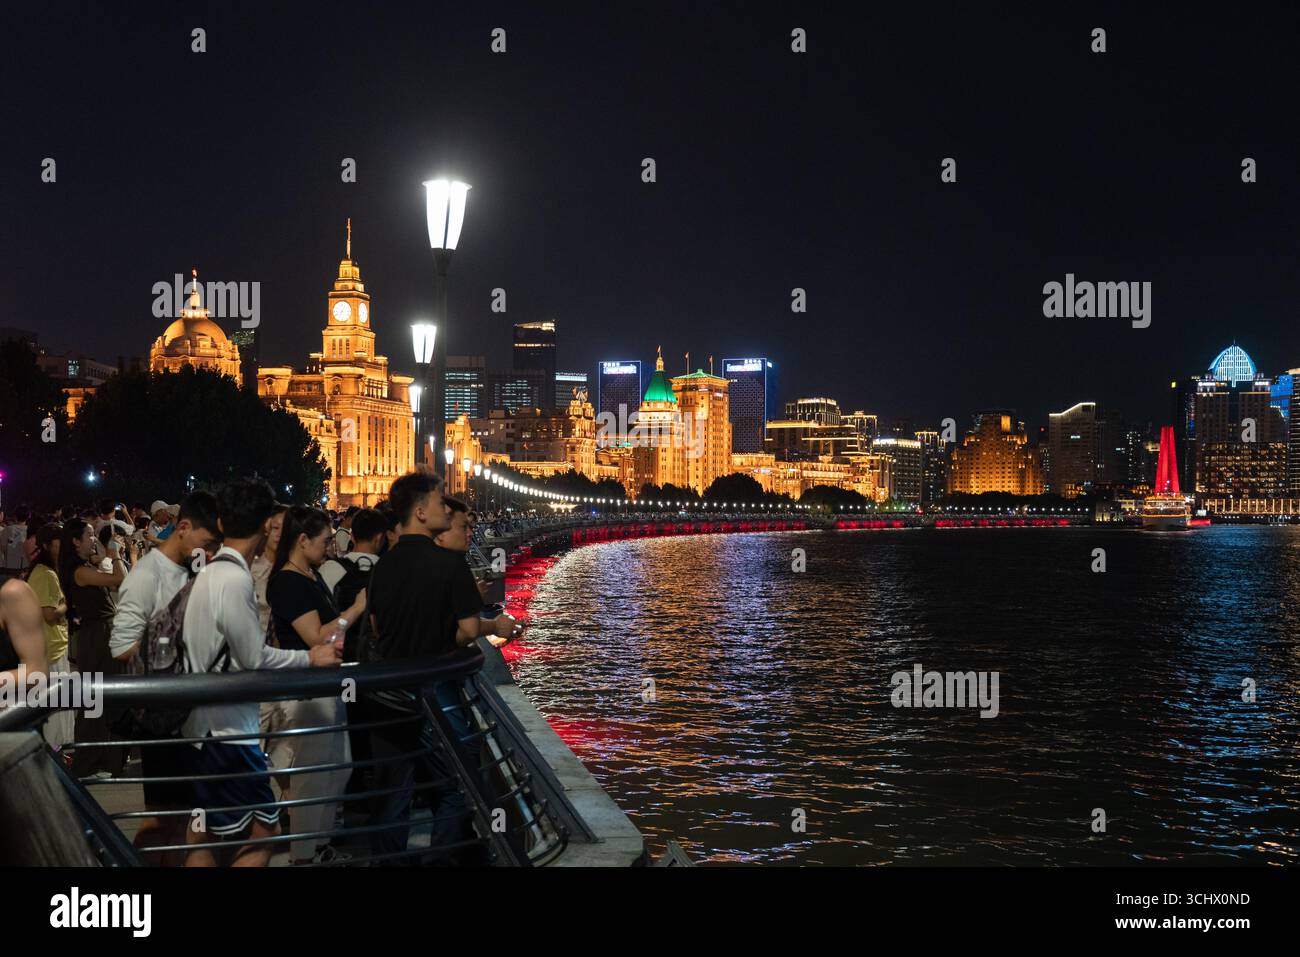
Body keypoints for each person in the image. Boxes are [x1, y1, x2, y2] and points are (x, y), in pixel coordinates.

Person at [182, 479, 342, 867]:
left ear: (221, 520)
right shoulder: (235, 578)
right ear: (266, 526)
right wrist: (310, 658)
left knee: (203, 831)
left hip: (204, 726)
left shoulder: (209, 573)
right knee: (264, 831)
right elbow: (254, 657)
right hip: (230, 733)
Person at [365, 470, 522, 863]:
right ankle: (442, 859)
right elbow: (468, 630)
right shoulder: (449, 565)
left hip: (388, 693)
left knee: (394, 793)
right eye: (439, 501)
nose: (444, 508)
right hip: (432, 693)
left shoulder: (382, 565)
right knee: (457, 785)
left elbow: (375, 626)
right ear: (420, 512)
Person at [109, 492, 221, 864]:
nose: (211, 549)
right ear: (184, 528)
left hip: (189, 715)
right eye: (208, 542)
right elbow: (121, 646)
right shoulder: (147, 575)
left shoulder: (193, 570)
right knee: (161, 820)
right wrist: (173, 649)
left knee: (186, 818)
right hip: (161, 718)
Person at [267, 506, 364, 864]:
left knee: (339, 767)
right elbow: (316, 638)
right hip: (308, 688)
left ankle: (318, 847)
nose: (330, 547)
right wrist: (355, 609)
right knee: (312, 776)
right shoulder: (289, 582)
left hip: (325, 685)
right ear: (302, 540)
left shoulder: (309, 574)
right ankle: (304, 855)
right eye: (324, 541)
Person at [58, 519, 128, 779]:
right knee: (94, 700)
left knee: (103, 698)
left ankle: (101, 761)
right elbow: (119, 580)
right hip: (97, 636)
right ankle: (88, 764)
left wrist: (102, 556)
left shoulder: (86, 566)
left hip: (100, 633)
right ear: (75, 542)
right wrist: (115, 555)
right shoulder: (80, 571)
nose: (94, 539)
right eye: (88, 535)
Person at [25, 524, 74, 751]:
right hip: (50, 649)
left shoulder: (43, 572)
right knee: (55, 706)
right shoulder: (45, 574)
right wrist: (66, 606)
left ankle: (56, 752)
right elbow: (49, 613)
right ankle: (56, 755)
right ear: (46, 545)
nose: (63, 547)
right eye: (59, 542)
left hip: (50, 646)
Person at [2, 506, 31, 579]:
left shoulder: (8, 529)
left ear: (15, 516)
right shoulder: (30, 531)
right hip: (26, 565)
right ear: (28, 517)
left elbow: (2, 547)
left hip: (10, 565)